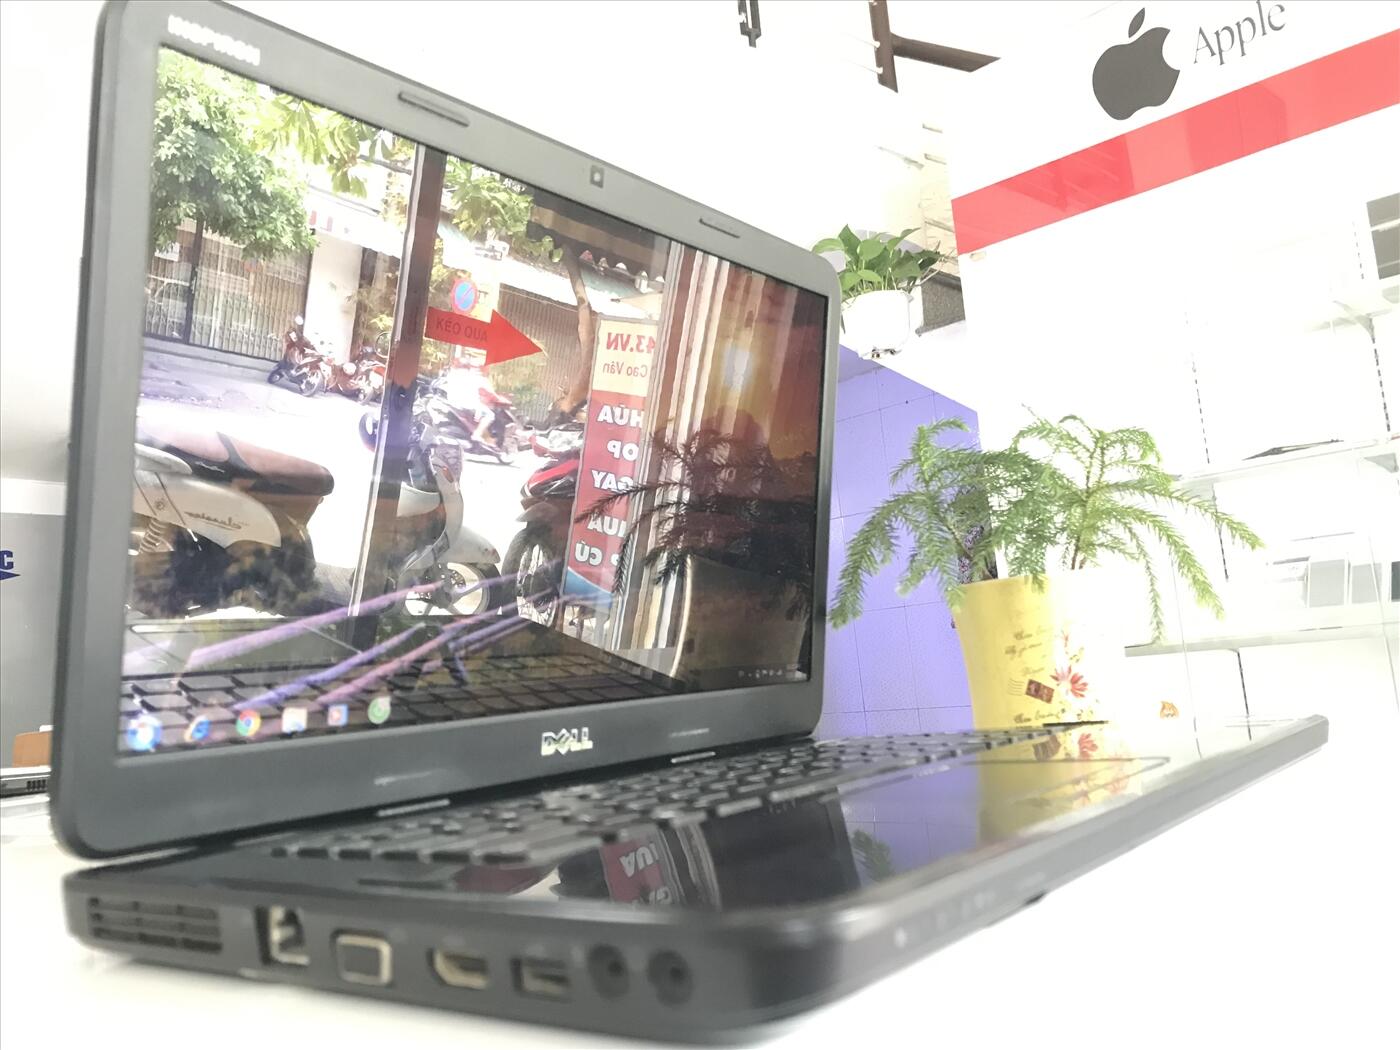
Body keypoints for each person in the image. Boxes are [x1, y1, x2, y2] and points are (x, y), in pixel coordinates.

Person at [441, 357, 498, 450]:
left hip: (452, 403)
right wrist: (495, 397)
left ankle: (481, 437)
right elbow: (489, 392)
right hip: (467, 405)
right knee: (490, 415)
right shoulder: (474, 377)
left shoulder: (451, 374)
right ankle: (477, 434)